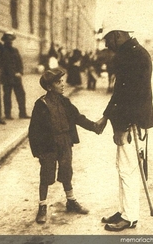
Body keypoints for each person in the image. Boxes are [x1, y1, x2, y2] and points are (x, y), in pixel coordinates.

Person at [96, 18, 153, 231]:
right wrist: (106, 116)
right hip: (130, 120)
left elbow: (132, 96)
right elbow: (119, 92)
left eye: (108, 39)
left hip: (133, 122)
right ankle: (123, 211)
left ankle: (130, 217)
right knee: (123, 167)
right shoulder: (129, 53)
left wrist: (121, 127)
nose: (105, 44)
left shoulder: (135, 56)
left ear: (118, 34)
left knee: (128, 169)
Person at [28, 67, 99, 224]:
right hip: (49, 145)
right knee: (46, 174)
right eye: (58, 82)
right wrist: (38, 151)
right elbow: (34, 129)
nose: (62, 84)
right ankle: (42, 206)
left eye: (62, 81)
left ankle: (71, 201)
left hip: (65, 141)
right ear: (49, 87)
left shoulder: (65, 102)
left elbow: (78, 117)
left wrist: (94, 126)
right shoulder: (41, 104)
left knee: (67, 171)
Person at [1, 31, 30, 119]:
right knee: (7, 96)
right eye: (7, 39)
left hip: (17, 77)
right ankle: (8, 114)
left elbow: (20, 63)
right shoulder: (1, 50)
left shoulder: (15, 50)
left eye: (11, 39)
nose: (9, 41)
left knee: (21, 95)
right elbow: (2, 65)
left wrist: (20, 72)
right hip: (7, 77)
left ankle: (22, 113)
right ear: (4, 40)